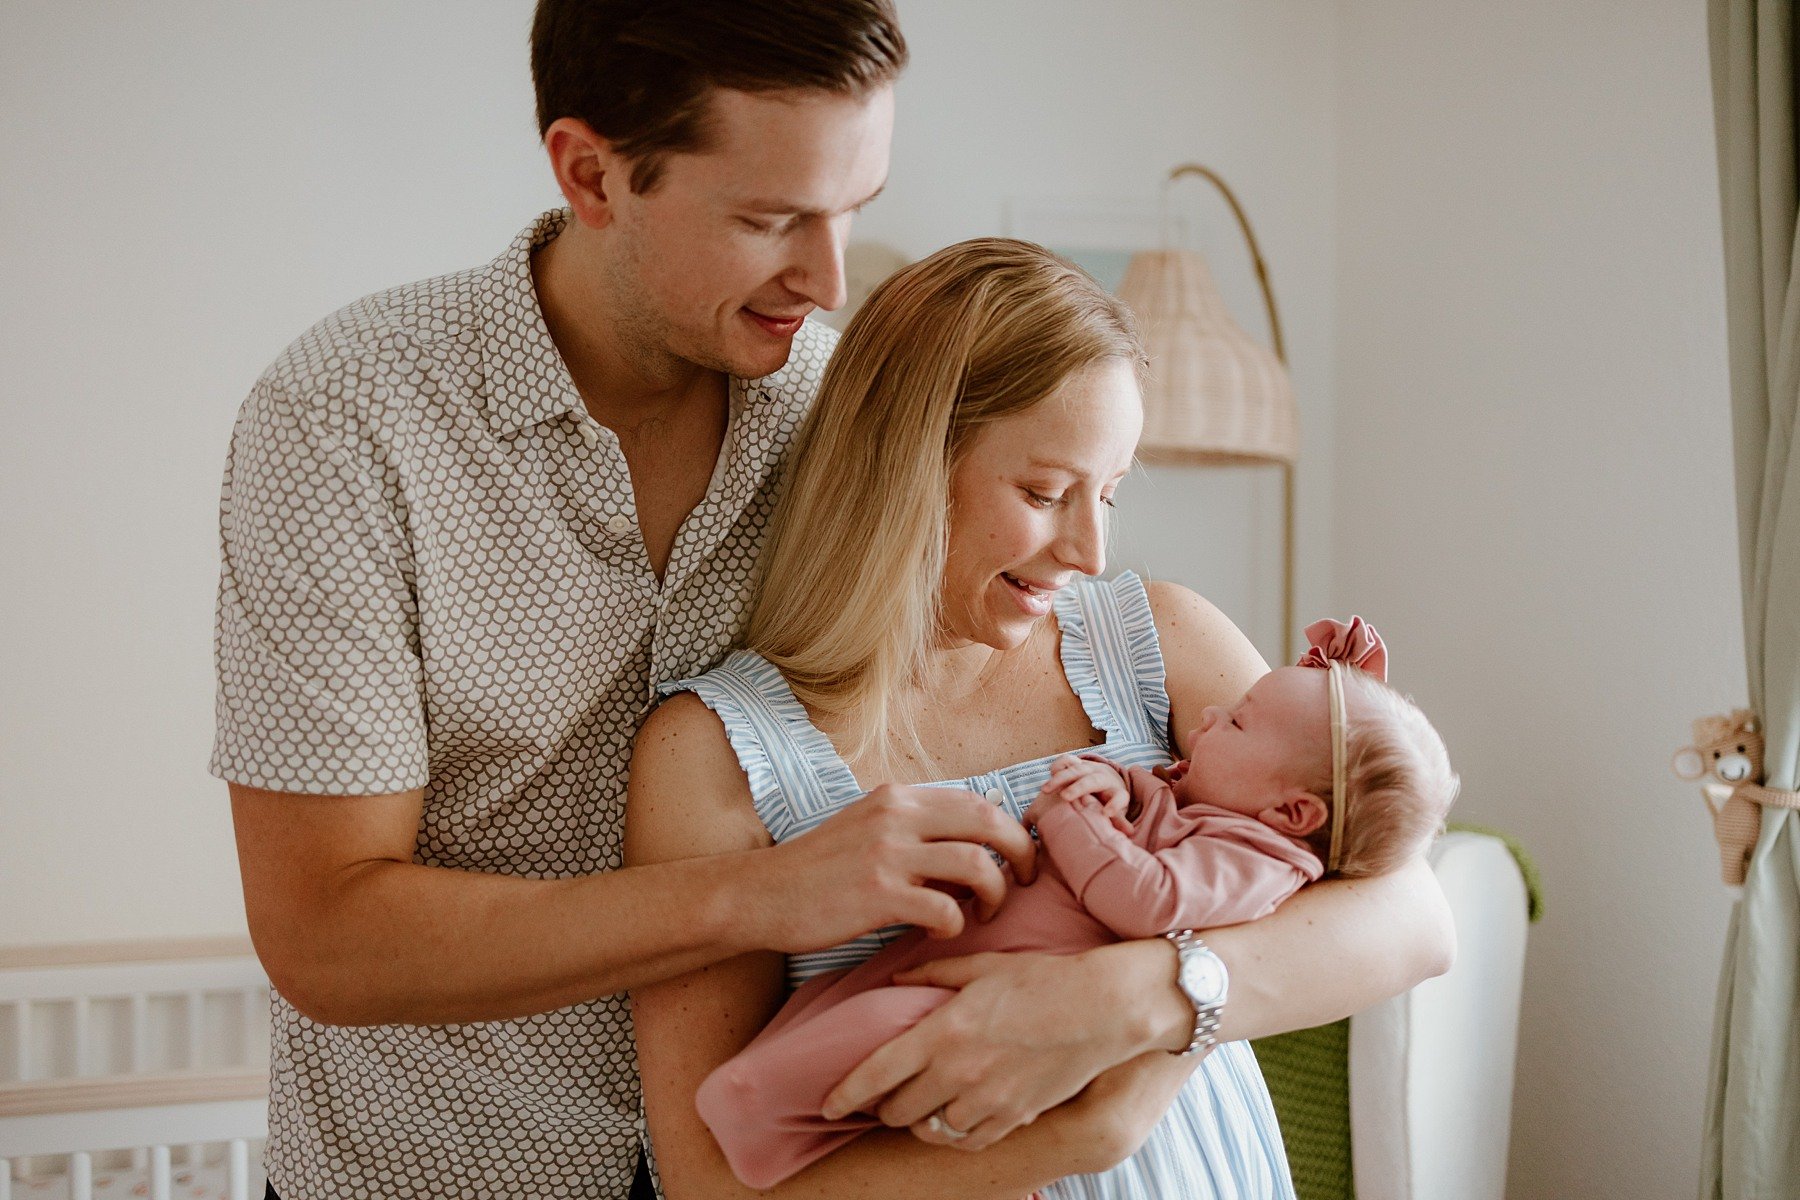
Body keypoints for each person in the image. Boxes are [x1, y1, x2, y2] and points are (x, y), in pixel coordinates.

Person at [215, 4, 1450, 1198]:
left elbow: (1394, 899)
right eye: (771, 218)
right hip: (455, 1166)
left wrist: (1142, 1009)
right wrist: (760, 897)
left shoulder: (849, 410)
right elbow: (325, 938)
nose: (826, 276)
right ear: (591, 174)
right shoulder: (351, 423)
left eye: (854, 208)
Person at [626, 239, 1455, 1199]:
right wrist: (1086, 1134)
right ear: (904, 465)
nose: (1092, 551)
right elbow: (708, 1180)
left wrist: (1137, 1001)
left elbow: (1413, 919)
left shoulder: (1161, 641)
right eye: (1046, 493)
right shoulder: (714, 754)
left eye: (1110, 493)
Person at [687, 617, 1458, 1188]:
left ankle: (760, 1126)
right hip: (960, 957)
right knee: (829, 1007)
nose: (1211, 716)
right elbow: (1146, 802)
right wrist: (1114, 783)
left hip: (999, 1001)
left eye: (1238, 721)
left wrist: (1068, 811)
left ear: (1294, 812)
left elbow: (1149, 898)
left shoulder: (1261, 859)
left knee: (864, 1048)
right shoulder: (1207, 800)